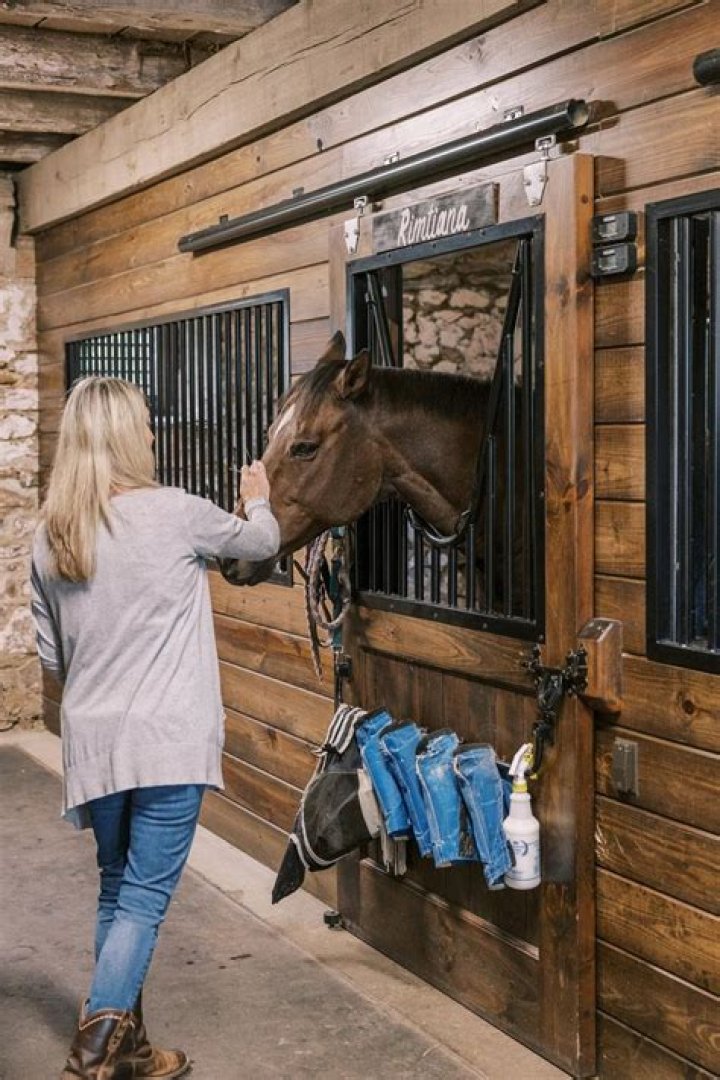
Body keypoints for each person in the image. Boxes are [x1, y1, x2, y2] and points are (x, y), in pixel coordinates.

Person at [30, 376, 280, 1079]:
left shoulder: (51, 534)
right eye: (143, 425)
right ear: (122, 436)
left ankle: (128, 1050)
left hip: (96, 743)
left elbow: (52, 657)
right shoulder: (174, 512)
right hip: (167, 740)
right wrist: (257, 491)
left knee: (117, 886)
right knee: (142, 896)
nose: (151, 435)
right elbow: (261, 542)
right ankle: (91, 1055)